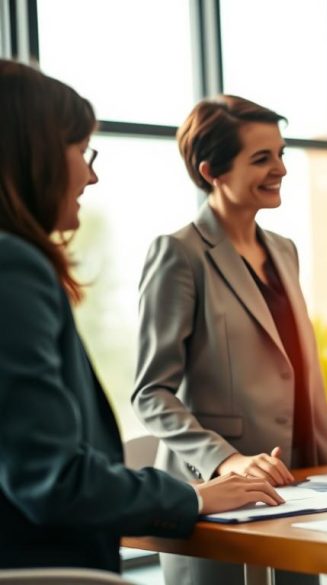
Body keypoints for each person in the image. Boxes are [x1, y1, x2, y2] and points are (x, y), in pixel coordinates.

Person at [0, 60, 283, 573]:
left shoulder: (284, 251)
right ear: (34, 155)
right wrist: (195, 496)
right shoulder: (11, 266)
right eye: (80, 151)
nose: (91, 173)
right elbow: (52, 477)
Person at [132, 96, 327, 584]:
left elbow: (294, 370)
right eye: (262, 158)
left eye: (282, 153)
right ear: (211, 171)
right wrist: (226, 460)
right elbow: (150, 393)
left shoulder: (285, 251)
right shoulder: (179, 254)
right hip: (223, 501)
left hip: (300, 490)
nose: (282, 169)